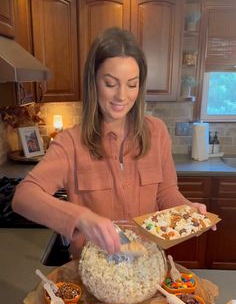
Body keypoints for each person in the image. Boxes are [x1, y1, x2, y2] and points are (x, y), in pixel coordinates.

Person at [12, 27, 212, 258]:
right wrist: (80, 217)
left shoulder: (156, 132)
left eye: (132, 84)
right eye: (111, 83)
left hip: (148, 265)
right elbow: (23, 196)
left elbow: (166, 192)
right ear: (94, 82)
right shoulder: (71, 143)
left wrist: (186, 210)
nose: (122, 96)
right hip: (96, 275)